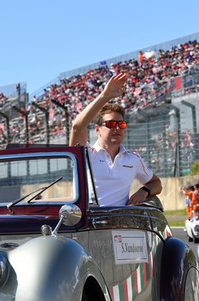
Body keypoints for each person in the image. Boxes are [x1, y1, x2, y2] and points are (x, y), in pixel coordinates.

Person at [69, 72, 162, 206]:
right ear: (97, 129)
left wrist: (144, 191)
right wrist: (105, 96)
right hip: (88, 222)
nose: (117, 128)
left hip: (119, 221)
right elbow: (77, 126)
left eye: (121, 124)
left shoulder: (133, 158)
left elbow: (156, 183)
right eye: (111, 124)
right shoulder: (85, 153)